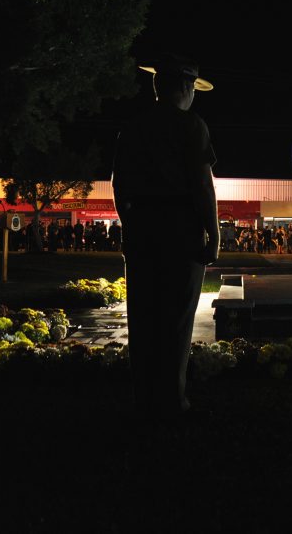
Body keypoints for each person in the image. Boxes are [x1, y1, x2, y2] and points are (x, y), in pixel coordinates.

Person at [112, 53, 219, 421]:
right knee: (176, 317)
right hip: (181, 227)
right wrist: (214, 231)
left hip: (142, 225)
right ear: (187, 87)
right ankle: (173, 401)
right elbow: (202, 185)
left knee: (143, 316)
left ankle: (143, 398)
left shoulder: (135, 126)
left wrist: (131, 222)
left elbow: (118, 182)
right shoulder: (191, 125)